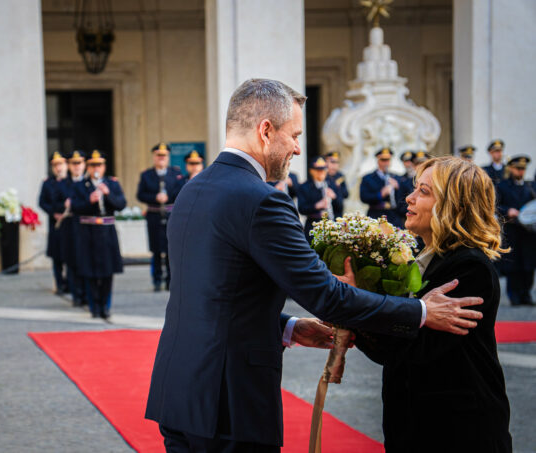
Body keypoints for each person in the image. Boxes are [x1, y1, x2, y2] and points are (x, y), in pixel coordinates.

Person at [145, 78, 483, 452]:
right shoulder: (263, 201)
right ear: (265, 131)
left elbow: (209, 297)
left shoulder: (194, 188)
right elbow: (326, 295)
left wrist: (288, 328)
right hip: (229, 402)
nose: (296, 147)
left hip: (178, 394)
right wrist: (419, 311)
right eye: (294, 134)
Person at [355, 156, 512, 452]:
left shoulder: (469, 267)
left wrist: (354, 303)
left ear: (453, 205)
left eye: (424, 192)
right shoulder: (423, 257)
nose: (409, 197)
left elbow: (407, 348)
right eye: (415, 188)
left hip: (459, 431)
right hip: (420, 426)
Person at [70, 150, 126, 318]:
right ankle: (94, 307)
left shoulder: (112, 184)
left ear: (104, 167)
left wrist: (107, 194)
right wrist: (89, 200)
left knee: (107, 272)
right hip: (88, 232)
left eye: (99, 165)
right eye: (93, 165)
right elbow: (74, 207)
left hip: (107, 232)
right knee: (90, 272)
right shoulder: (80, 185)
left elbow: (121, 204)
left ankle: (105, 306)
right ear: (87, 167)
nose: (96, 168)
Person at [136, 143, 184, 291]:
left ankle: (170, 279)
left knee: (171, 249)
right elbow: (140, 194)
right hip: (154, 214)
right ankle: (156, 279)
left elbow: (181, 191)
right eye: (158, 156)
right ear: (154, 157)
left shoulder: (176, 174)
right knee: (156, 249)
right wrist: (154, 197)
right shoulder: (146, 175)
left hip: (171, 215)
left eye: (164, 156)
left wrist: (168, 196)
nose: (161, 158)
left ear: (168, 157)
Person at [496, 155, 536, 306]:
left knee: (528, 266)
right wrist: (508, 210)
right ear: (511, 169)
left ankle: (526, 295)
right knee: (513, 266)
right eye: (518, 168)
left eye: (523, 169)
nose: (521, 171)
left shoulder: (530, 186)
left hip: (528, 234)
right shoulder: (502, 186)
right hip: (512, 231)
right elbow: (496, 206)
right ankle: (514, 296)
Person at [59, 150, 87, 307]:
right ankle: (76, 294)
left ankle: (85, 294)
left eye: (80, 163)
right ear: (69, 165)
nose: (77, 167)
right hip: (69, 227)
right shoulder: (62, 183)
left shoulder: (88, 183)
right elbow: (53, 201)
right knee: (71, 262)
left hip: (85, 227)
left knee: (85, 261)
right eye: (74, 163)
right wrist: (62, 207)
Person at [38, 151, 69, 295]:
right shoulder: (47, 183)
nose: (58, 168)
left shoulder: (71, 182)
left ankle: (70, 283)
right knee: (56, 256)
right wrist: (53, 213)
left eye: (61, 164)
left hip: (68, 222)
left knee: (70, 255)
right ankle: (59, 284)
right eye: (55, 165)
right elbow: (42, 202)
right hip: (55, 224)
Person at [297, 156, 338, 244]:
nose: (321, 173)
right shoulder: (304, 187)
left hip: (330, 224)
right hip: (312, 225)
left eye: (323, 170)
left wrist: (334, 197)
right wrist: (317, 205)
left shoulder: (332, 184)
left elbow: (341, 206)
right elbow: (302, 209)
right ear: (311, 171)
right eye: (318, 170)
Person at [360, 147, 405, 227]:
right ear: (378, 161)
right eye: (383, 160)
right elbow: (363, 197)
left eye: (388, 160)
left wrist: (398, 188)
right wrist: (380, 194)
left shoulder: (397, 178)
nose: (386, 163)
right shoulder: (368, 178)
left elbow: (403, 199)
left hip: (393, 216)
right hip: (375, 215)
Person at [325, 151, 348, 217]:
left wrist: (337, 190)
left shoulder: (340, 176)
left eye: (337, 162)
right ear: (326, 162)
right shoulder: (323, 176)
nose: (335, 165)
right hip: (325, 212)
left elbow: (346, 194)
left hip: (338, 211)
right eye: (332, 162)